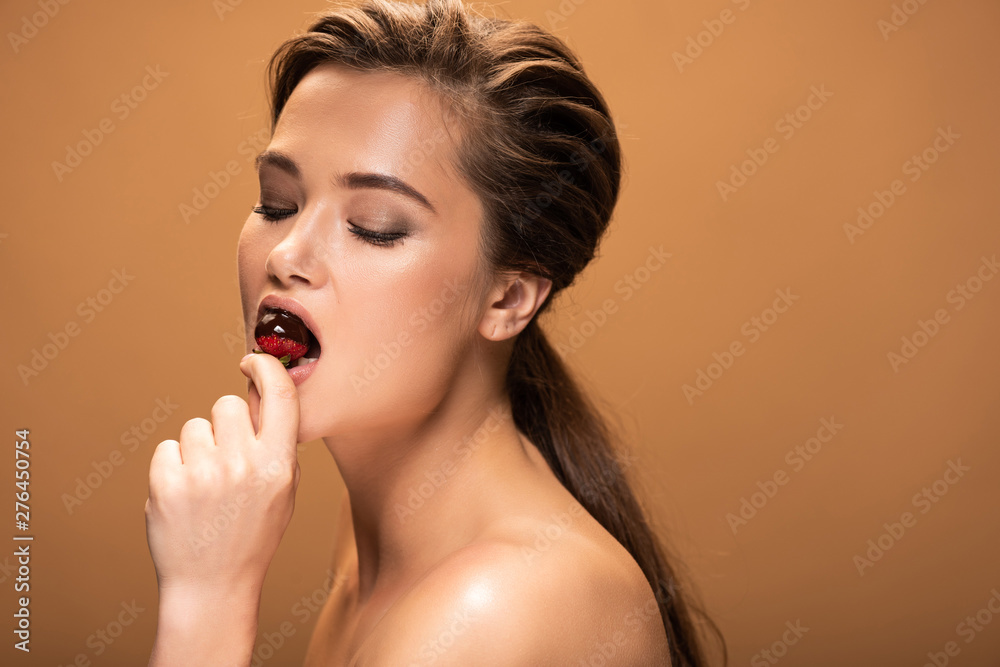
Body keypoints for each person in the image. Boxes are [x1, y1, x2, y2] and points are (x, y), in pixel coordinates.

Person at [144, 0, 725, 664]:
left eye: (375, 226)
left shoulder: (493, 606)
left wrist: (206, 598)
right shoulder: (379, 535)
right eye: (277, 203)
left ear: (507, 297)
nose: (285, 256)